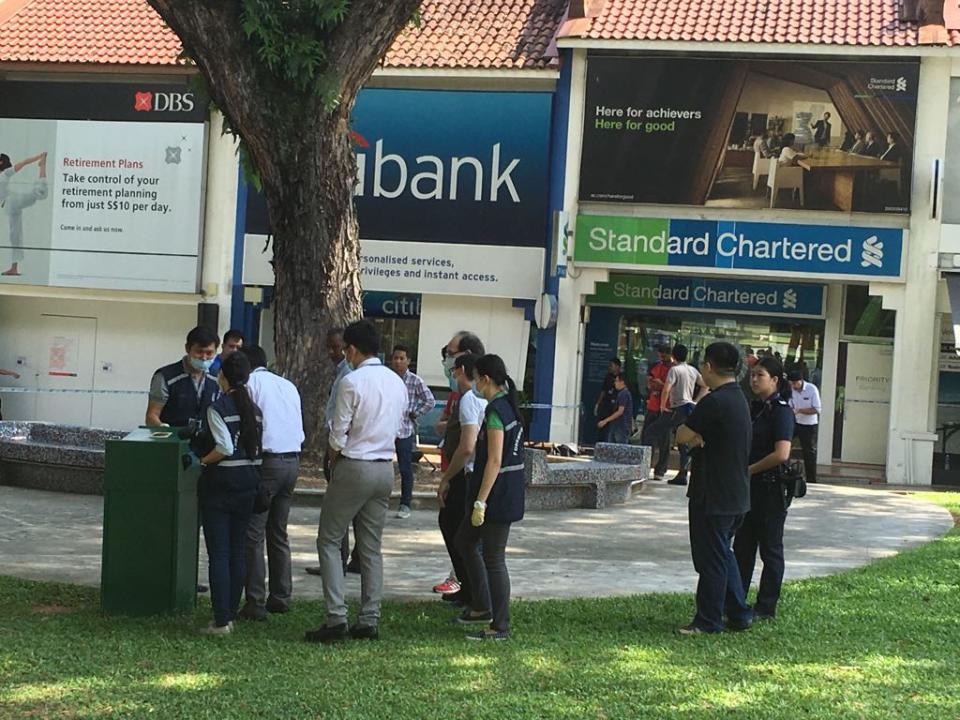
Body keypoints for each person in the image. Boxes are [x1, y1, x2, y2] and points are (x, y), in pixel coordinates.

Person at [305, 320, 407, 643]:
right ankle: (369, 618)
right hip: (384, 468)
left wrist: (333, 461)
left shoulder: (352, 381)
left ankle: (336, 617)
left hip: (355, 464)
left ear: (351, 349)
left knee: (330, 539)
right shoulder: (397, 382)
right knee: (370, 547)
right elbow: (402, 429)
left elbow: (338, 433)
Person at [675, 342, 753, 635]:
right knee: (723, 553)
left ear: (708, 367)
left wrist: (695, 438)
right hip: (735, 494)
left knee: (711, 559)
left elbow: (682, 434)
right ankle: (739, 612)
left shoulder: (715, 402)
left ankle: (708, 621)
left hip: (713, 494)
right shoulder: (739, 398)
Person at [455, 354, 525, 641]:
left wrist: (481, 501)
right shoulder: (507, 405)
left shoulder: (497, 411)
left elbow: (494, 460)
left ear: (485, 378)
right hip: (503, 491)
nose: (473, 383)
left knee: (494, 558)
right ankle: (482, 605)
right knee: (465, 541)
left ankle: (500, 625)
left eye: (475, 377)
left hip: (498, 495)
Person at [194, 351, 263, 635]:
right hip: (248, 484)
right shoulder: (255, 409)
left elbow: (224, 448)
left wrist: (201, 461)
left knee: (219, 553)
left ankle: (221, 620)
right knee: (237, 552)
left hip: (221, 485)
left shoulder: (218, 407)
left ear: (222, 376)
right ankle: (231, 610)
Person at [238, 344, 304, 621]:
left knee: (252, 534)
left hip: (267, 463)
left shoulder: (249, 385)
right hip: (292, 461)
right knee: (278, 532)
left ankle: (255, 601)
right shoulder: (287, 385)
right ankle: (281, 595)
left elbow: (247, 425)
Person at [734, 356, 795, 621]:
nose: (754, 379)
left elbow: (782, 454)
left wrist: (748, 470)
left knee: (770, 549)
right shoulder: (754, 407)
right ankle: (736, 600)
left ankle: (766, 606)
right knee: (742, 548)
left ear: (775, 380)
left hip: (770, 489)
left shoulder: (781, 411)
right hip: (749, 489)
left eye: (760, 375)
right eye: (752, 375)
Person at [432, 330, 486, 596]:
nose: (447, 363)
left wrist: (446, 478)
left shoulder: (472, 399)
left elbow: (467, 447)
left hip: (467, 475)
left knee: (463, 535)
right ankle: (470, 591)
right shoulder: (466, 397)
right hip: (466, 474)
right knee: (458, 531)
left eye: (450, 355)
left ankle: (474, 594)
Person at [306, 327, 359, 577]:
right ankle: (345, 557)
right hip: (341, 446)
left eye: (336, 347)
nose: (331, 352)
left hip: (343, 449)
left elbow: (343, 418)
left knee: (339, 511)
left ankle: (338, 559)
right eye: (328, 346)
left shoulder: (349, 374)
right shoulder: (342, 372)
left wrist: (334, 453)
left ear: (349, 348)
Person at [645, 343, 709, 486]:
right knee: (682, 442)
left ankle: (642, 467)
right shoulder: (692, 370)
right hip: (688, 408)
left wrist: (662, 405)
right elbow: (705, 385)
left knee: (650, 432)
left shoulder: (674, 370)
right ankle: (682, 474)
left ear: (673, 356)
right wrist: (696, 401)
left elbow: (667, 389)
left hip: (677, 408)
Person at [391, 344, 436, 519]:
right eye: (395, 358)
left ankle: (405, 503)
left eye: (402, 358)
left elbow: (429, 400)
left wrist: (416, 413)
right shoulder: (387, 378)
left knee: (405, 467)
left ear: (408, 361)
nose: (398, 361)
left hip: (404, 429)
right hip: (386, 429)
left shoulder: (415, 381)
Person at [145, 326, 220, 428]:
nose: (204, 358)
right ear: (187, 349)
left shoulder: (218, 378)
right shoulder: (165, 377)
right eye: (199, 352)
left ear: (216, 351)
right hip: (174, 439)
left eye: (209, 353)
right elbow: (152, 416)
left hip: (207, 441)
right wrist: (163, 428)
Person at [1, 151, 47, 277]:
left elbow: (25, 162)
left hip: (12, 202)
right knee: (14, 236)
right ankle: (14, 268)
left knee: (40, 193)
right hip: (10, 206)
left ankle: (43, 166)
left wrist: (40, 156)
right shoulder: (5, 174)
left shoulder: (6, 172)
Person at [641, 345, 674, 481]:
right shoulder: (655, 366)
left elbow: (671, 387)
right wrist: (653, 385)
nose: (662, 358)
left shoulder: (674, 369)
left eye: (664, 355)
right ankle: (645, 466)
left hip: (666, 407)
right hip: (653, 406)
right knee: (647, 437)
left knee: (664, 440)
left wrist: (661, 385)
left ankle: (660, 469)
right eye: (661, 355)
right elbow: (650, 382)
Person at [788, 369, 821, 484]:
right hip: (794, 422)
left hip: (808, 424)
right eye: (791, 383)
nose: (793, 386)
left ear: (801, 381)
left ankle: (811, 479)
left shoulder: (812, 389)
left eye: (795, 383)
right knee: (785, 444)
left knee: (808, 452)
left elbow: (817, 409)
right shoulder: (790, 390)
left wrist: (800, 410)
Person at [597, 373, 633, 444]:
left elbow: (620, 411)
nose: (615, 383)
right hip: (616, 425)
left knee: (620, 448)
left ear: (622, 382)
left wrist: (605, 421)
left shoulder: (624, 394)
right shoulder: (621, 393)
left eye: (616, 381)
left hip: (621, 426)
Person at [594, 358, 622, 442]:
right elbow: (603, 391)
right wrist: (598, 404)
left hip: (615, 407)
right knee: (602, 428)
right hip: (606, 405)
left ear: (617, 366)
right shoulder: (608, 377)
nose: (609, 367)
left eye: (611, 366)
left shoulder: (622, 378)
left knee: (613, 429)